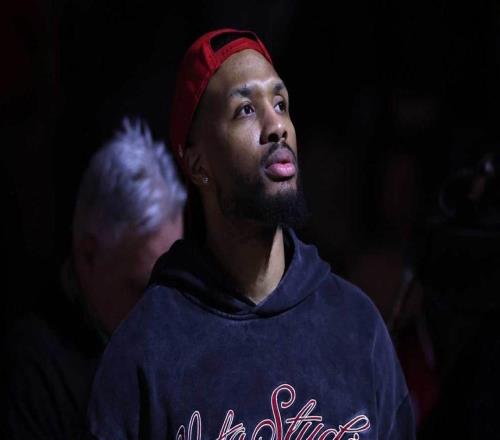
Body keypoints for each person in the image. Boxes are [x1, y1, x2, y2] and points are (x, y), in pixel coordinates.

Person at [84, 29, 415, 439]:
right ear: (197, 164)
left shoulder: (357, 326)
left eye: (280, 104)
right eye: (245, 109)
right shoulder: (145, 352)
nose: (276, 126)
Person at [5, 119, 186, 439]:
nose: (162, 317)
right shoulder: (30, 373)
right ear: (88, 255)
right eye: (141, 290)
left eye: (172, 289)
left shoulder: (169, 337)